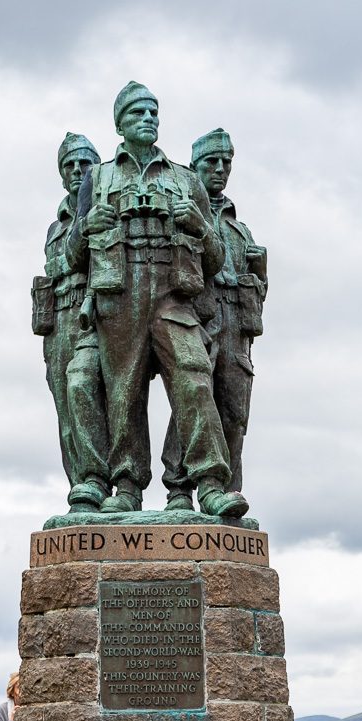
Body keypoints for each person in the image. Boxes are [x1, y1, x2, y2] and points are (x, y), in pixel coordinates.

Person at [68, 83, 249, 518]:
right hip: (120, 294)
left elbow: (216, 258)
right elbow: (75, 258)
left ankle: (208, 483)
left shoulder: (185, 179)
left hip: (172, 296)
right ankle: (127, 487)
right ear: (120, 125)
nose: (147, 119)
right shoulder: (100, 177)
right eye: (137, 114)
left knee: (193, 376)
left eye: (152, 112)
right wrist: (88, 224)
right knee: (123, 393)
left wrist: (201, 228)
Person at [162, 128, 267, 508]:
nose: (220, 169)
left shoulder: (241, 232)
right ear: (194, 168)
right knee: (192, 399)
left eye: (226, 163)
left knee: (234, 413)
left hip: (237, 327)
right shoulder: (184, 214)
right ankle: (179, 488)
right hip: (199, 319)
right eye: (211, 162)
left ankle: (227, 491)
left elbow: (259, 290)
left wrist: (261, 273)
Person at [33, 133, 110, 512]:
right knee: (66, 413)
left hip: (92, 313)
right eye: (70, 165)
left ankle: (105, 483)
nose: (78, 171)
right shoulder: (55, 226)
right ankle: (81, 489)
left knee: (92, 396)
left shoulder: (103, 209)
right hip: (58, 320)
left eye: (84, 163)